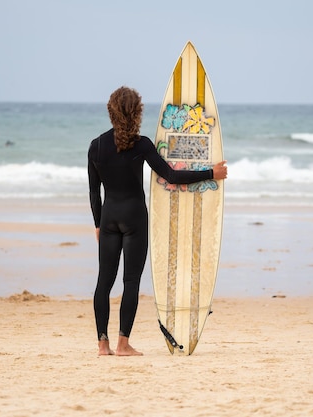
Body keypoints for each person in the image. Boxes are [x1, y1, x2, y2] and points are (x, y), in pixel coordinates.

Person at [88, 86, 227, 356]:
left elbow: (94, 192)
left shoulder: (96, 146)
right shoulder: (141, 146)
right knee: (130, 282)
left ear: (111, 112)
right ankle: (123, 344)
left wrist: (97, 223)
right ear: (137, 112)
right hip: (135, 220)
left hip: (108, 219)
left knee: (104, 281)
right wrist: (212, 172)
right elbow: (171, 176)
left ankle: (102, 345)